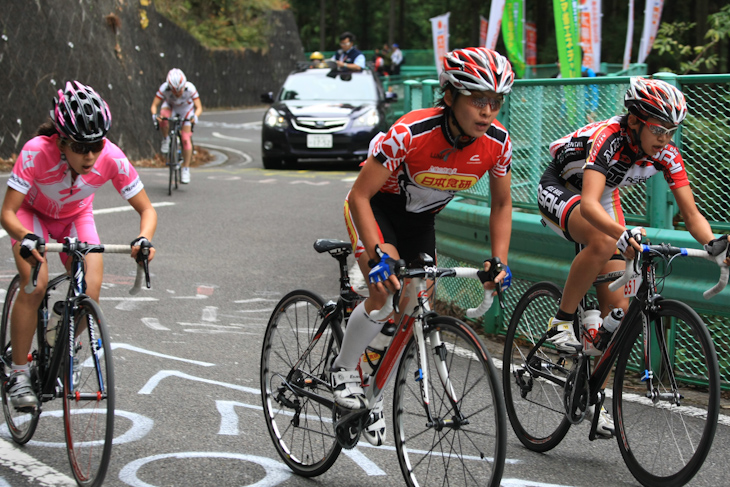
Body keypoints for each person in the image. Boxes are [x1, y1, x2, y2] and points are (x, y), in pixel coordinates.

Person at [332, 47, 515, 446]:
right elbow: (359, 195)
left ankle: (373, 387)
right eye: (478, 100)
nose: (488, 111)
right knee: (384, 291)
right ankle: (344, 369)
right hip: (376, 207)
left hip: (420, 221)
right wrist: (378, 253)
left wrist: (498, 259)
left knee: (415, 305)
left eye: (496, 102)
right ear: (449, 96)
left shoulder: (498, 143)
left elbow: (502, 204)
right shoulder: (410, 133)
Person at [537, 76, 730, 436]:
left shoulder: (666, 152)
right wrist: (619, 234)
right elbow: (592, 205)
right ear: (635, 121)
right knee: (601, 239)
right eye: (658, 129)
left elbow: (689, 214)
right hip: (562, 187)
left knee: (619, 317)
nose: (665, 139)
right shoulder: (609, 139)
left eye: (672, 131)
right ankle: (561, 322)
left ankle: (593, 396)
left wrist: (713, 244)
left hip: (602, 196)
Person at [0, 81, 158, 410]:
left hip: (75, 217)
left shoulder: (111, 157)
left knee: (91, 291)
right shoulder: (34, 152)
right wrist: (25, 238)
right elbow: (8, 212)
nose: (89, 156)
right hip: (32, 216)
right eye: (79, 146)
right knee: (37, 282)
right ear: (60, 140)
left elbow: (147, 209)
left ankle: (59, 337)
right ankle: (17, 373)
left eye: (96, 145)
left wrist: (144, 237)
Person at [150, 68, 203, 184]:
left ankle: (186, 169)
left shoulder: (190, 88)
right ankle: (166, 139)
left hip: (186, 110)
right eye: (174, 91)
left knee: (185, 139)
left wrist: (195, 117)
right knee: (163, 116)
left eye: (180, 90)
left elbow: (199, 107)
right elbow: (154, 105)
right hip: (171, 107)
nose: (178, 93)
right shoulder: (164, 88)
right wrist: (155, 116)